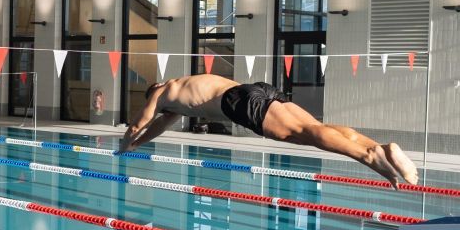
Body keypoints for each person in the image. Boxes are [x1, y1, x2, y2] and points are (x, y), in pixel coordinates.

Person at [119, 74, 419, 186]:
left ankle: (369, 157)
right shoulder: (179, 95)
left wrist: (125, 143)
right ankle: (380, 147)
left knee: (301, 134)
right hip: (255, 89)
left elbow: (140, 122)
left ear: (153, 91)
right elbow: (154, 128)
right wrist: (138, 144)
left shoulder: (162, 92)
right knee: (314, 128)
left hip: (238, 102)